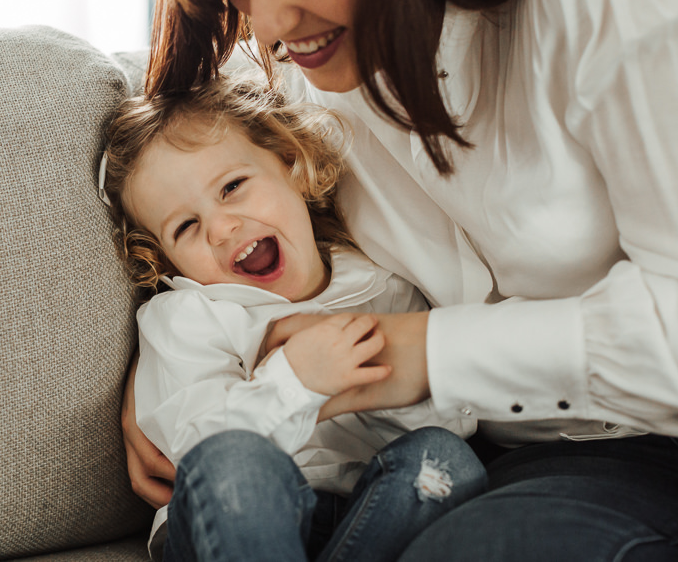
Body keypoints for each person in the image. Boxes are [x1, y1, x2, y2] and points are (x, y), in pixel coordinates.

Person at [121, 0, 678, 559]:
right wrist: (180, 357)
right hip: (530, 453)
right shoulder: (306, 79)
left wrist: (426, 351)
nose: (271, 25)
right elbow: (186, 164)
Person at [98, 77, 487, 561]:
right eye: (185, 227)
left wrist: (367, 383)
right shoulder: (190, 316)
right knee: (235, 457)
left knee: (445, 457)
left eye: (232, 187)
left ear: (290, 163)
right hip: (238, 520)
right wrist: (296, 382)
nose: (221, 228)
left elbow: (452, 417)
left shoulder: (381, 283)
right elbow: (198, 453)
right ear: (167, 259)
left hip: (369, 511)